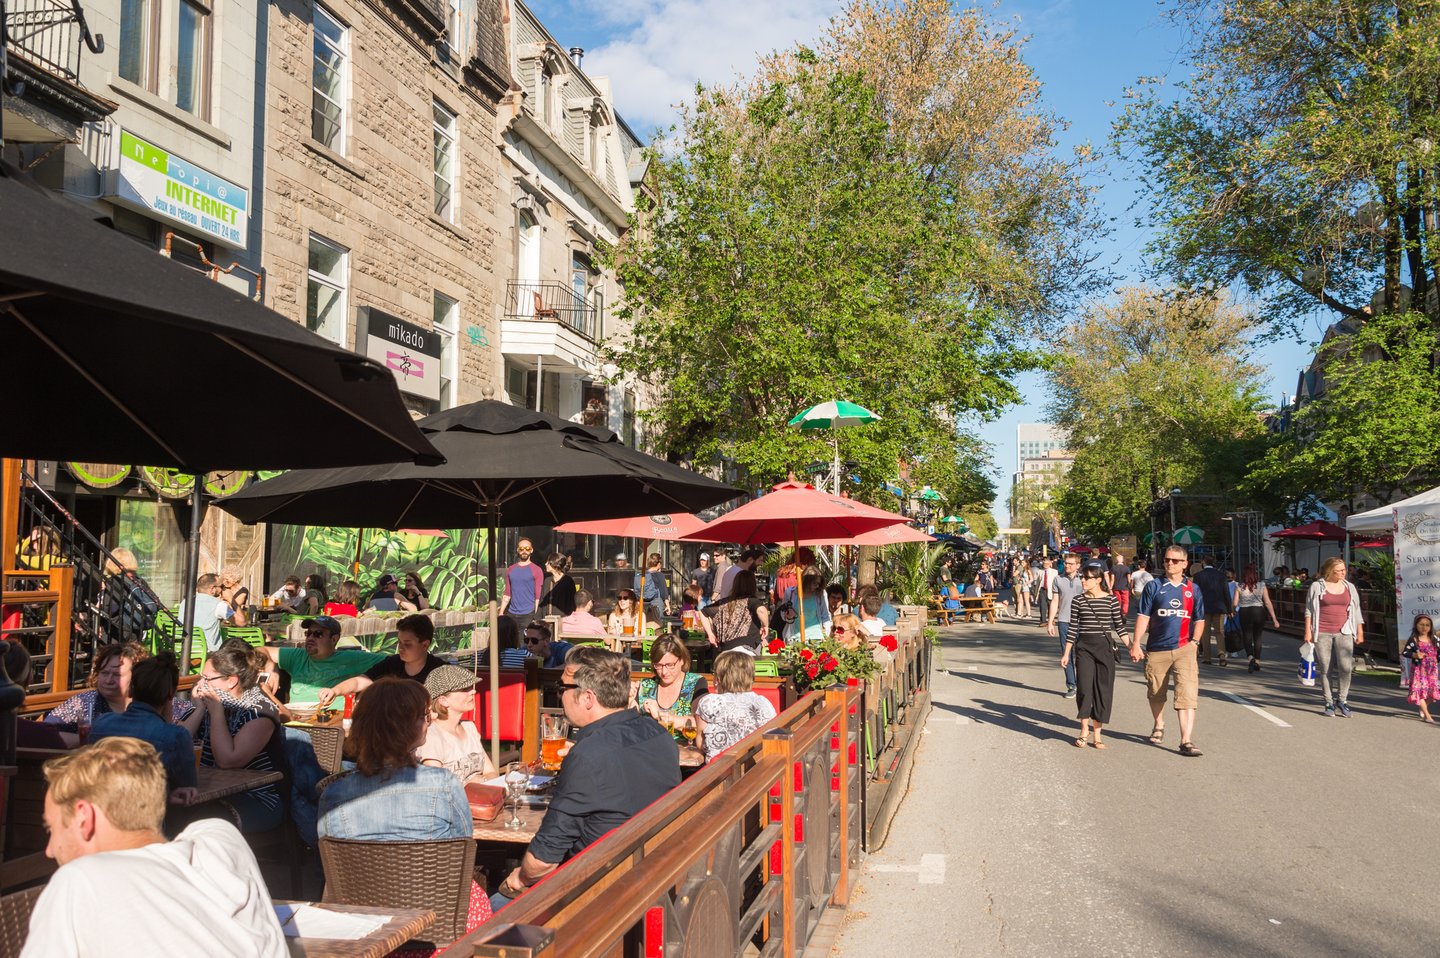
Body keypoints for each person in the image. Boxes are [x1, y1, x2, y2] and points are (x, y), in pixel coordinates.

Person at [20, 738, 287, 958]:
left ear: (83, 818)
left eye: (51, 829)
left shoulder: (79, 879)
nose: (50, 850)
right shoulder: (221, 840)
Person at [494, 648, 679, 909]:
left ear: (588, 698)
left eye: (563, 687)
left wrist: (520, 878)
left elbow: (542, 862)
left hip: (596, 891)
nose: (560, 694)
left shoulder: (589, 755)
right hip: (651, 871)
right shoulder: (658, 734)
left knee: (487, 906)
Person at [318, 678, 471, 841]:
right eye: (425, 715)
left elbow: (328, 852)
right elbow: (463, 842)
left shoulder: (333, 793)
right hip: (429, 865)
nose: (431, 720)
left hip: (359, 866)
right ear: (407, 726)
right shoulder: (444, 784)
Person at [178, 644, 283, 831]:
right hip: (206, 793)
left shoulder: (260, 711)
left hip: (254, 797)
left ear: (231, 681)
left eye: (207, 679)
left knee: (197, 826)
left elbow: (228, 760)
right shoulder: (206, 704)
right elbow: (176, 743)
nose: (200, 685)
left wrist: (217, 713)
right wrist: (199, 710)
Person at [91, 653, 197, 801]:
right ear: (171, 694)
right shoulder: (175, 736)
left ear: (131, 690)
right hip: (148, 816)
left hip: (102, 807)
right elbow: (187, 787)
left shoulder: (101, 723)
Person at [1133, 544, 1206, 757]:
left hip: (1185, 648)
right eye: (1166, 560)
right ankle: (1159, 723)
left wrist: (1195, 642)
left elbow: (1200, 619)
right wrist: (1137, 643)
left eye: (1174, 560)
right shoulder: (1154, 586)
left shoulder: (1193, 589)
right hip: (1157, 648)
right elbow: (1143, 617)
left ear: (1185, 564)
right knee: (1156, 692)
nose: (1169, 563)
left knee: (1187, 694)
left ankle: (1186, 740)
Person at [1060, 566, 1129, 749]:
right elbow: (1073, 628)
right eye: (1082, 578)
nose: (1083, 581)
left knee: (1103, 690)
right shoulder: (1078, 601)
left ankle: (1098, 733)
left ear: (1098, 580)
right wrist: (1066, 653)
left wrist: (1132, 646)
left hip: (1104, 648)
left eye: (1087, 578)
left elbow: (1119, 627)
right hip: (1084, 648)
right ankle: (1084, 730)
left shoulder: (1111, 600)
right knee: (1084, 688)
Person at [315, 613, 446, 707]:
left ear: (424, 645)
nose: (400, 648)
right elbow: (360, 681)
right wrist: (334, 691)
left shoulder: (441, 670)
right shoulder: (392, 663)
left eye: (407, 644)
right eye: (399, 642)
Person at [254, 615, 384, 705]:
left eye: (318, 634)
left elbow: (392, 663)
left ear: (334, 639)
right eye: (308, 633)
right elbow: (258, 649)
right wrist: (271, 665)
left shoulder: (352, 658)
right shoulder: (297, 655)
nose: (310, 638)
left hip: (331, 724)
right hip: (296, 720)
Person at [1302, 557, 1364, 718]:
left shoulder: (1349, 587)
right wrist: (1308, 631)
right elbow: (1309, 610)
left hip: (1344, 631)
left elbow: (1356, 610)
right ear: (1330, 571)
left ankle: (1342, 700)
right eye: (1340, 570)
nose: (1344, 572)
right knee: (1325, 668)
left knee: (1345, 667)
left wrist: (1360, 630)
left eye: (1344, 569)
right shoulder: (1317, 586)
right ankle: (1328, 702)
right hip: (1322, 631)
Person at [417, 665, 497, 782]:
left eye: (471, 687)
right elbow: (436, 787)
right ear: (443, 700)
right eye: (465, 689)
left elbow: (492, 773)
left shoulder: (469, 727)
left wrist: (481, 781)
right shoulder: (431, 736)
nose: (473, 691)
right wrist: (470, 785)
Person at [695, 650, 777, 761]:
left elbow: (700, 744)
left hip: (718, 771)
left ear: (719, 679)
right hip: (757, 769)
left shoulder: (709, 702)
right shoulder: (763, 703)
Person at [44, 641, 148, 729]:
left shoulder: (147, 704)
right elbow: (46, 732)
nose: (108, 680)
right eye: (104, 673)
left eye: (117, 675)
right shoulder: (85, 703)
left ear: (136, 677)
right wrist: (87, 739)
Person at [632, 635, 708, 737]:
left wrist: (662, 716)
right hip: (648, 748)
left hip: (684, 749)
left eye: (670, 665)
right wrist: (628, 700)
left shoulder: (695, 683)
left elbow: (700, 723)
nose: (664, 672)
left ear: (682, 660)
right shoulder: (646, 686)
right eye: (658, 665)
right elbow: (628, 725)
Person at [699, 569, 769, 653]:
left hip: (725, 651)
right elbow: (761, 610)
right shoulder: (751, 601)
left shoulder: (723, 603)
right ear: (753, 585)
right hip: (746, 651)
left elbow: (702, 612)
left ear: (735, 584)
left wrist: (710, 634)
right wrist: (765, 625)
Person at [98, 547, 157, 644]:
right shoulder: (139, 581)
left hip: (116, 632)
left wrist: (97, 616)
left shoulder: (116, 581)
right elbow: (155, 601)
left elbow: (110, 608)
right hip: (136, 630)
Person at [1046, 554, 1084, 699]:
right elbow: (1055, 601)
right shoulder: (1058, 579)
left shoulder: (1084, 580)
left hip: (1083, 621)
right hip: (1064, 620)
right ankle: (1071, 685)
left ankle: (1082, 683)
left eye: (1071, 564)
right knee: (1066, 654)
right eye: (1066, 563)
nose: (1067, 566)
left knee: (1083, 654)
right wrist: (1050, 622)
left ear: (1078, 565)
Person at [1234, 564, 1278, 673]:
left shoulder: (1239, 586)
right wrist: (1274, 618)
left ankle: (1250, 658)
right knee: (1257, 636)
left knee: (1247, 636)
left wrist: (1232, 610)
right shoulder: (1261, 585)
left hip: (1245, 612)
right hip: (1259, 611)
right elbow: (1267, 602)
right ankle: (1257, 661)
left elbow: (1234, 603)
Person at [1192, 556, 1232, 666]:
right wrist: (1229, 609)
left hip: (1204, 608)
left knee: (1205, 633)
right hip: (1219, 607)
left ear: (1203, 563)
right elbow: (1226, 593)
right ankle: (1222, 655)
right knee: (1219, 632)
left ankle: (1207, 657)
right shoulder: (1222, 576)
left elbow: (1195, 594)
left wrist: (1194, 608)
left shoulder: (1198, 576)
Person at [500, 538, 544, 631]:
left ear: (531, 550)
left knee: (525, 643)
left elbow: (538, 596)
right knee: (510, 642)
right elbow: (507, 593)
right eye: (521, 548)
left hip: (528, 614)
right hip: (511, 613)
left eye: (527, 548)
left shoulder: (537, 570)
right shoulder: (511, 569)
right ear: (517, 550)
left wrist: (535, 616)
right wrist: (501, 613)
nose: (524, 551)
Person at [192, 573, 242, 653]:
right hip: (208, 653)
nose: (223, 590)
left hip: (185, 649)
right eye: (221, 586)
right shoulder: (217, 604)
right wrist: (231, 599)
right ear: (212, 589)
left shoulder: (185, 602)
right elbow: (242, 622)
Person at [1402, 614, 1439, 722]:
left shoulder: (1434, 639)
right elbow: (1405, 652)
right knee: (1420, 692)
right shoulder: (1414, 640)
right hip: (1419, 670)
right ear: (1416, 625)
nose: (1424, 627)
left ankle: (1423, 707)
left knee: (1432, 695)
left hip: (1432, 670)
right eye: (1421, 624)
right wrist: (1414, 655)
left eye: (1427, 625)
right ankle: (1428, 716)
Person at [781, 572, 830, 642]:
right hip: (794, 637)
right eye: (815, 583)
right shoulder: (790, 592)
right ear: (806, 581)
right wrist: (789, 616)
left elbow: (825, 615)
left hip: (816, 637)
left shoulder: (820, 593)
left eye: (819, 584)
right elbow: (783, 614)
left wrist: (826, 633)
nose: (817, 586)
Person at [506, 620, 572, 669]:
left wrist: (546, 673)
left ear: (546, 641)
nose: (529, 645)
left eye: (534, 641)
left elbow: (576, 662)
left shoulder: (561, 649)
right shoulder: (524, 651)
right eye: (527, 640)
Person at [636, 553, 671, 624]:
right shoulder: (659, 575)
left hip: (643, 603)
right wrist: (668, 606)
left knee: (645, 623)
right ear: (659, 564)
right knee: (658, 624)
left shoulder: (642, 574)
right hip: (656, 603)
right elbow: (664, 591)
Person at [1036, 556, 1056, 626]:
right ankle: (1043, 621)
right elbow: (1038, 582)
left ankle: (1051, 619)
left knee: (1050, 605)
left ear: (1050, 563)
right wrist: (1036, 592)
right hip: (1042, 589)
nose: (1045, 565)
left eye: (1047, 564)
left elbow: (1056, 582)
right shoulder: (1039, 571)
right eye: (1044, 564)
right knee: (1042, 605)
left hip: (1051, 590)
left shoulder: (1054, 572)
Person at [1110, 554, 1132, 618]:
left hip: (1116, 588)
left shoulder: (1113, 568)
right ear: (1122, 560)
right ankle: (1124, 613)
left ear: (1116, 560)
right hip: (1125, 588)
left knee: (1118, 601)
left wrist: (1110, 588)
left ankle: (1118, 613)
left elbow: (1112, 579)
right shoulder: (1127, 568)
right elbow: (1129, 579)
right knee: (1125, 601)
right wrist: (1130, 587)